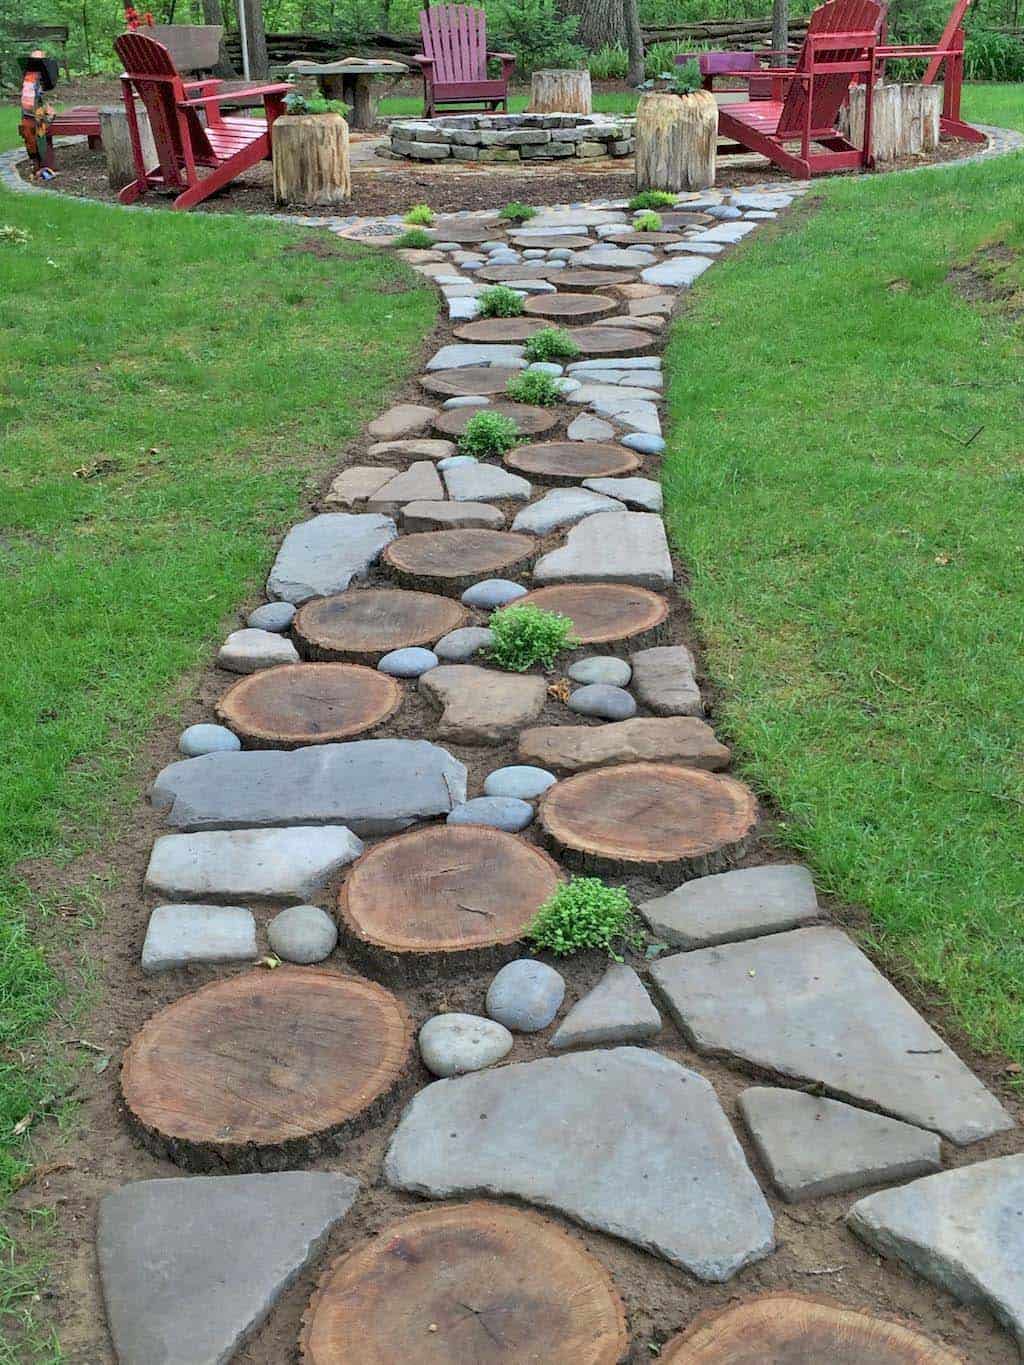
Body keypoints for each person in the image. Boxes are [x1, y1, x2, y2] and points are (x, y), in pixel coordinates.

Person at [18, 50, 59, 180]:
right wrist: (49, 115)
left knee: (38, 139)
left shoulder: (33, 79)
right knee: (34, 140)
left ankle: (40, 168)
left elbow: (38, 98)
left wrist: (46, 111)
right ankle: (38, 168)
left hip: (34, 116)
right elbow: (30, 102)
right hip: (30, 117)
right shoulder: (30, 80)